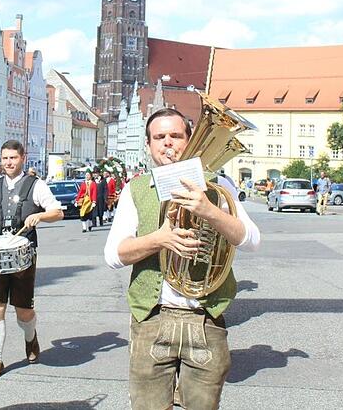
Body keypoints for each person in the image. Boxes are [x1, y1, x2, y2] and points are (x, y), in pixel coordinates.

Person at [103, 107, 261, 410]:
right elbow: (113, 255)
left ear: (189, 141)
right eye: (159, 137)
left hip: (205, 317)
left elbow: (252, 241)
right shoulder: (135, 189)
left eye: (175, 136)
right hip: (152, 317)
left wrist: (210, 211)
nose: (167, 143)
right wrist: (158, 239)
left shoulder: (219, 185)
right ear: (148, 145)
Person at [0, 140, 63, 380]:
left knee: (23, 311)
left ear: (22, 158)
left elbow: (58, 212)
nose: (8, 163)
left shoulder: (36, 185)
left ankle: (30, 338)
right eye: (4, 158)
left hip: (24, 253)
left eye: (12, 158)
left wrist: (40, 215)